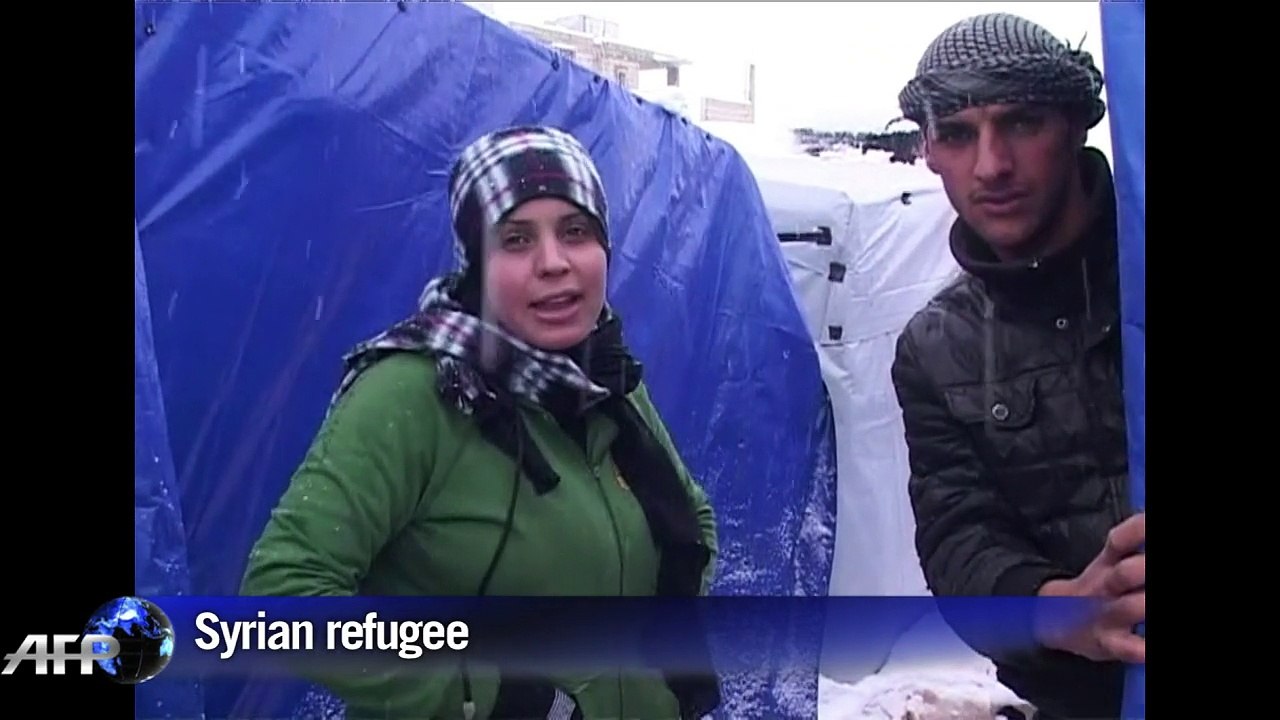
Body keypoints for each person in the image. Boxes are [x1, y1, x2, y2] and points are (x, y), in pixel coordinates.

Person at [240, 125, 721, 720]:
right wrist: (489, 695)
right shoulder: (413, 392)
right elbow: (283, 597)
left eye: (576, 232)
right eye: (516, 240)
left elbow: (690, 517)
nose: (554, 263)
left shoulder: (606, 375)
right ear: (476, 264)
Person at [888, 13, 1145, 719]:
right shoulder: (937, 348)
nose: (992, 165)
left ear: (1077, 126)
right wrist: (1065, 611)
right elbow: (959, 537)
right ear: (929, 151)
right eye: (960, 134)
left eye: (1022, 124)